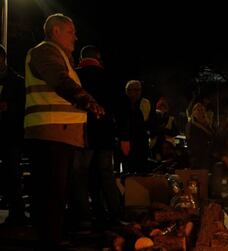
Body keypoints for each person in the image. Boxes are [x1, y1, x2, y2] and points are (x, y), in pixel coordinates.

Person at [24, 13, 104, 250]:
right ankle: (51, 240)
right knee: (52, 191)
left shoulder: (61, 57)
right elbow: (59, 80)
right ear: (55, 31)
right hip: (51, 132)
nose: (76, 37)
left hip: (59, 133)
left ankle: (53, 236)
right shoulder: (45, 52)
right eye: (71, 31)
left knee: (55, 191)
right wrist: (85, 99)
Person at [68, 45, 121, 231]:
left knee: (80, 175)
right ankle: (115, 215)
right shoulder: (108, 77)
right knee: (107, 175)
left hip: (83, 133)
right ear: (97, 58)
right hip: (105, 134)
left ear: (82, 58)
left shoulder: (74, 75)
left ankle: (84, 218)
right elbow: (117, 107)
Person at [0, 44, 28, 226]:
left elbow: (24, 107)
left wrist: (9, 108)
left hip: (10, 135)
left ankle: (16, 212)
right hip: (8, 134)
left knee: (12, 174)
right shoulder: (15, 80)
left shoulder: (17, 81)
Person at [117, 80, 152, 174]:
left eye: (138, 90)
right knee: (129, 171)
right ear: (127, 91)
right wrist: (124, 139)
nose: (137, 92)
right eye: (135, 90)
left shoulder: (140, 104)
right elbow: (123, 124)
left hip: (138, 143)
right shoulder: (123, 105)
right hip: (130, 143)